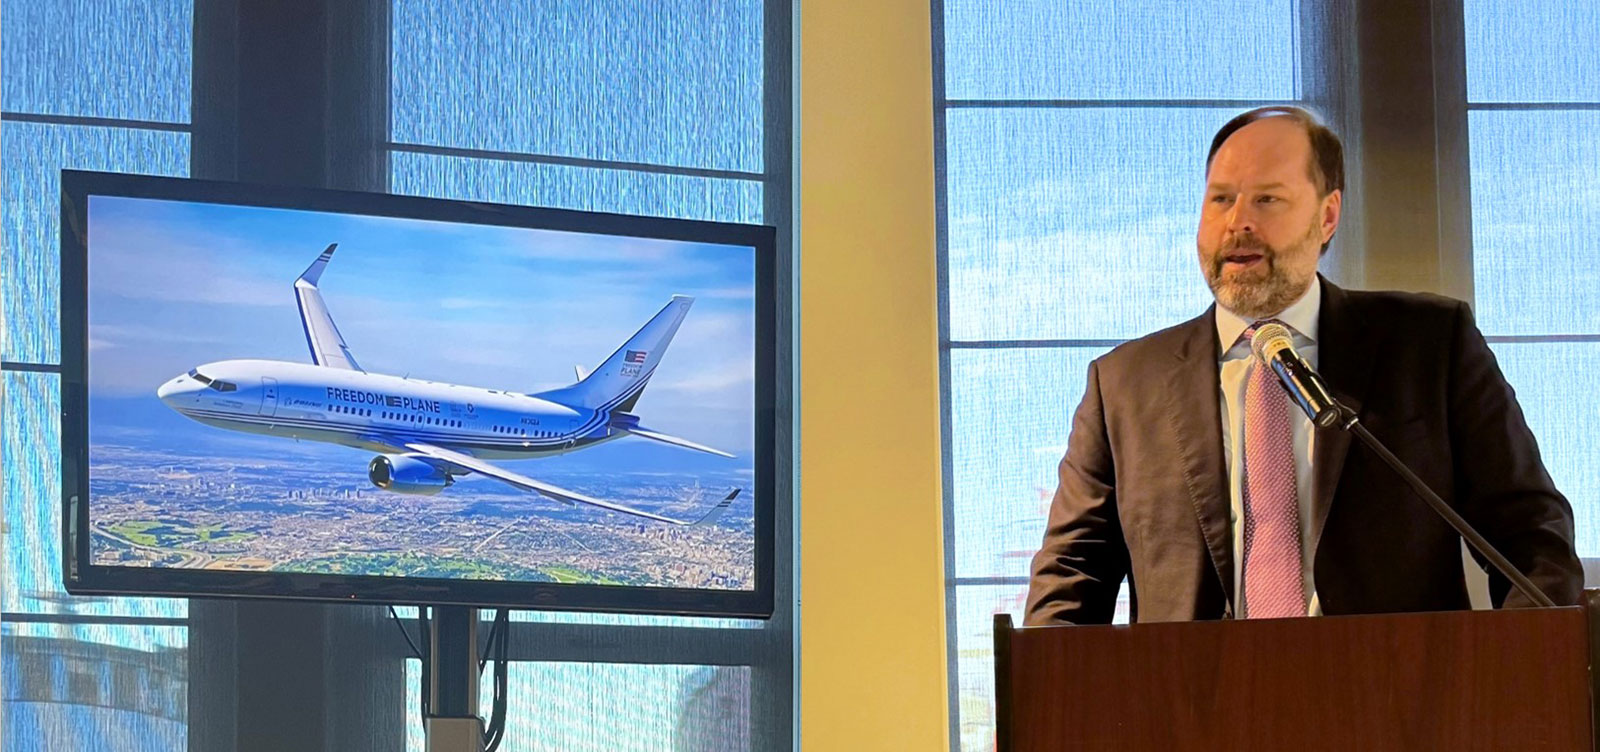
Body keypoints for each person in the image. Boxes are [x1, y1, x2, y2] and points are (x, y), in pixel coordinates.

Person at [1024, 106, 1582, 625]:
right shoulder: (1122, 384)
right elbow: (1071, 577)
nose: (1238, 222)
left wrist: (1529, 678)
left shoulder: (1429, 346)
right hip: (1193, 711)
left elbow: (1529, 537)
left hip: (1399, 709)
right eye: (1220, 199)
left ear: (1327, 215)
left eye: (1267, 199)